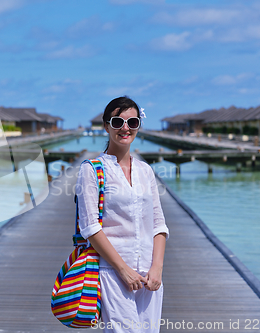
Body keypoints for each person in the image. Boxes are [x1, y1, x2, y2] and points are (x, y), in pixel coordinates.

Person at [76, 96, 169, 333]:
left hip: (150, 276)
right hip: (113, 272)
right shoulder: (92, 169)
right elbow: (90, 227)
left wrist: (157, 267)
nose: (125, 128)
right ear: (106, 126)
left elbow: (159, 224)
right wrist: (122, 270)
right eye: (117, 122)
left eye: (132, 122)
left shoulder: (145, 170)